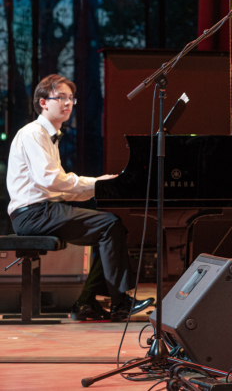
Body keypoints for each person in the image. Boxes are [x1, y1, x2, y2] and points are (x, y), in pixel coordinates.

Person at [6, 74, 154, 321]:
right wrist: (98, 184)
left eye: (71, 99)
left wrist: (104, 185)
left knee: (111, 227)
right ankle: (119, 304)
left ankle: (86, 303)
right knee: (109, 224)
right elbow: (51, 181)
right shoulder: (33, 133)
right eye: (61, 98)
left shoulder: (47, 136)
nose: (68, 104)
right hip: (32, 214)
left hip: (43, 211)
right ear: (43, 102)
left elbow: (60, 188)